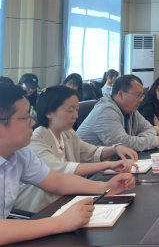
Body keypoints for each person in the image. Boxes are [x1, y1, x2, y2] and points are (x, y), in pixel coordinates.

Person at [0, 83, 136, 245]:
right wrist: (60, 222)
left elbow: (57, 181)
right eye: (25, 118)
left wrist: (105, 187)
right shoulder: (36, 140)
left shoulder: (21, 153)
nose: (32, 123)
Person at [14, 85, 137, 213]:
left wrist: (115, 149)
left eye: (77, 110)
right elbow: (61, 171)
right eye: (70, 111)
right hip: (40, 208)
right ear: (49, 112)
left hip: (66, 199)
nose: (76, 115)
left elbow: (91, 152)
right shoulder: (36, 140)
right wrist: (108, 165)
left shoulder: (67, 133)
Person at [77, 75, 159, 151]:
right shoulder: (106, 111)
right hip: (89, 169)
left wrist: (138, 141)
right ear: (121, 94)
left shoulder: (130, 110)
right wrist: (157, 140)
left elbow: (150, 128)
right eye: (137, 95)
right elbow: (122, 144)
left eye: (141, 96)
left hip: (114, 163)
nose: (141, 100)